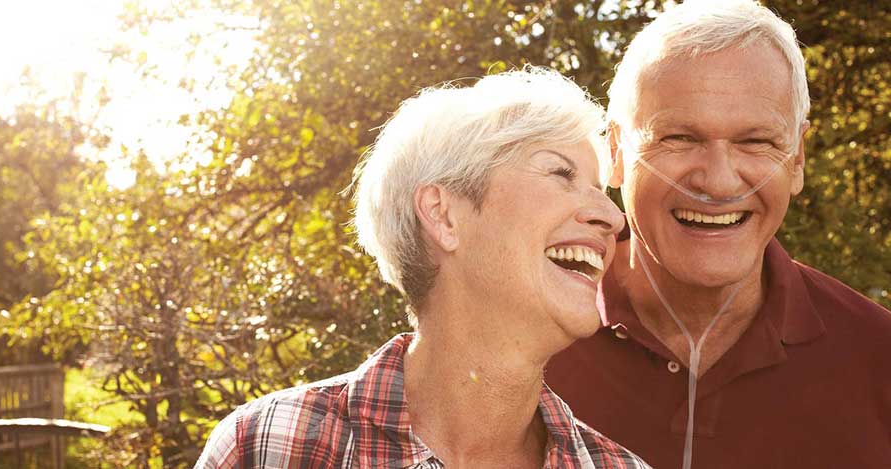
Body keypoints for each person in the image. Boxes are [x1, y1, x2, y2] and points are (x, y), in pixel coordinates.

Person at [195, 68, 650, 468]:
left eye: (600, 190)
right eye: (560, 174)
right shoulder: (269, 446)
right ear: (442, 215)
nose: (613, 218)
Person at [544, 1, 891, 468]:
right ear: (614, 151)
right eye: (679, 138)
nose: (720, 182)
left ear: (798, 158)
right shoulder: (522, 339)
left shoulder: (879, 359)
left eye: (756, 141)